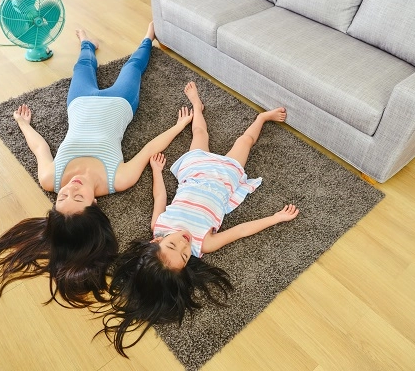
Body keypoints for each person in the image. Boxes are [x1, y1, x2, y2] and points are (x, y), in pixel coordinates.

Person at [0, 22, 194, 308]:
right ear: (94, 205)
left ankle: (87, 43)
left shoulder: (51, 179)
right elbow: (149, 148)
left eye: (62, 197)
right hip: (120, 103)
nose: (70, 188)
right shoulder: (118, 180)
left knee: (82, 68)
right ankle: (147, 36)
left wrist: (23, 124)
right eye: (77, 197)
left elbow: (40, 147)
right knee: (133, 67)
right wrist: (179, 126)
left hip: (79, 104)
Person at [101, 81, 299, 356]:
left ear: (155, 240)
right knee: (245, 141)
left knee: (199, 130)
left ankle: (197, 105)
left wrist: (157, 171)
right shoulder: (203, 245)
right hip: (224, 181)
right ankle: (261, 118)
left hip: (195, 171)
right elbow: (240, 231)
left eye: (172, 246)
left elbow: (160, 198)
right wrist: (274, 218)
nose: (184, 243)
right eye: (184, 255)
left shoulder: (160, 225)